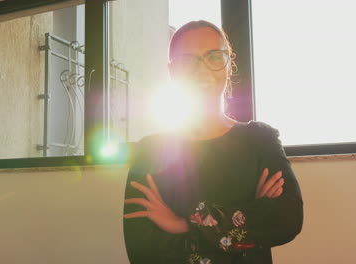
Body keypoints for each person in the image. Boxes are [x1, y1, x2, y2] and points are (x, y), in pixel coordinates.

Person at [122, 20, 303, 264]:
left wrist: (183, 224)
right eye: (188, 60)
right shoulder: (151, 151)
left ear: (229, 64)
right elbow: (143, 251)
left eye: (214, 56)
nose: (202, 69)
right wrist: (248, 216)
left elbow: (286, 221)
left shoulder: (261, 140)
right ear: (172, 71)